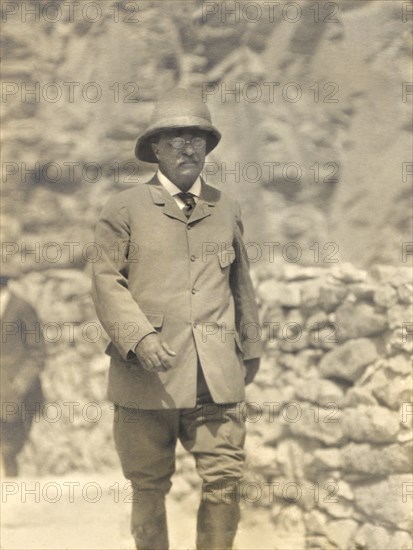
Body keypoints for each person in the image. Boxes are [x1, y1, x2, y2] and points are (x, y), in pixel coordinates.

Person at [92, 88, 261, 550]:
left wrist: (252, 347)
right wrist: (139, 337)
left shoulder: (226, 208)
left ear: (207, 147)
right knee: (149, 485)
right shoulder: (123, 209)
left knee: (225, 479)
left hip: (216, 377)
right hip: (146, 377)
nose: (187, 147)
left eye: (197, 138)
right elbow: (106, 283)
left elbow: (241, 284)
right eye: (175, 137)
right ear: (156, 150)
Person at [0, 272, 45, 477]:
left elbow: (38, 353)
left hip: (15, 390)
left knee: (10, 448)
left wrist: (19, 385)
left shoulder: (21, 308)